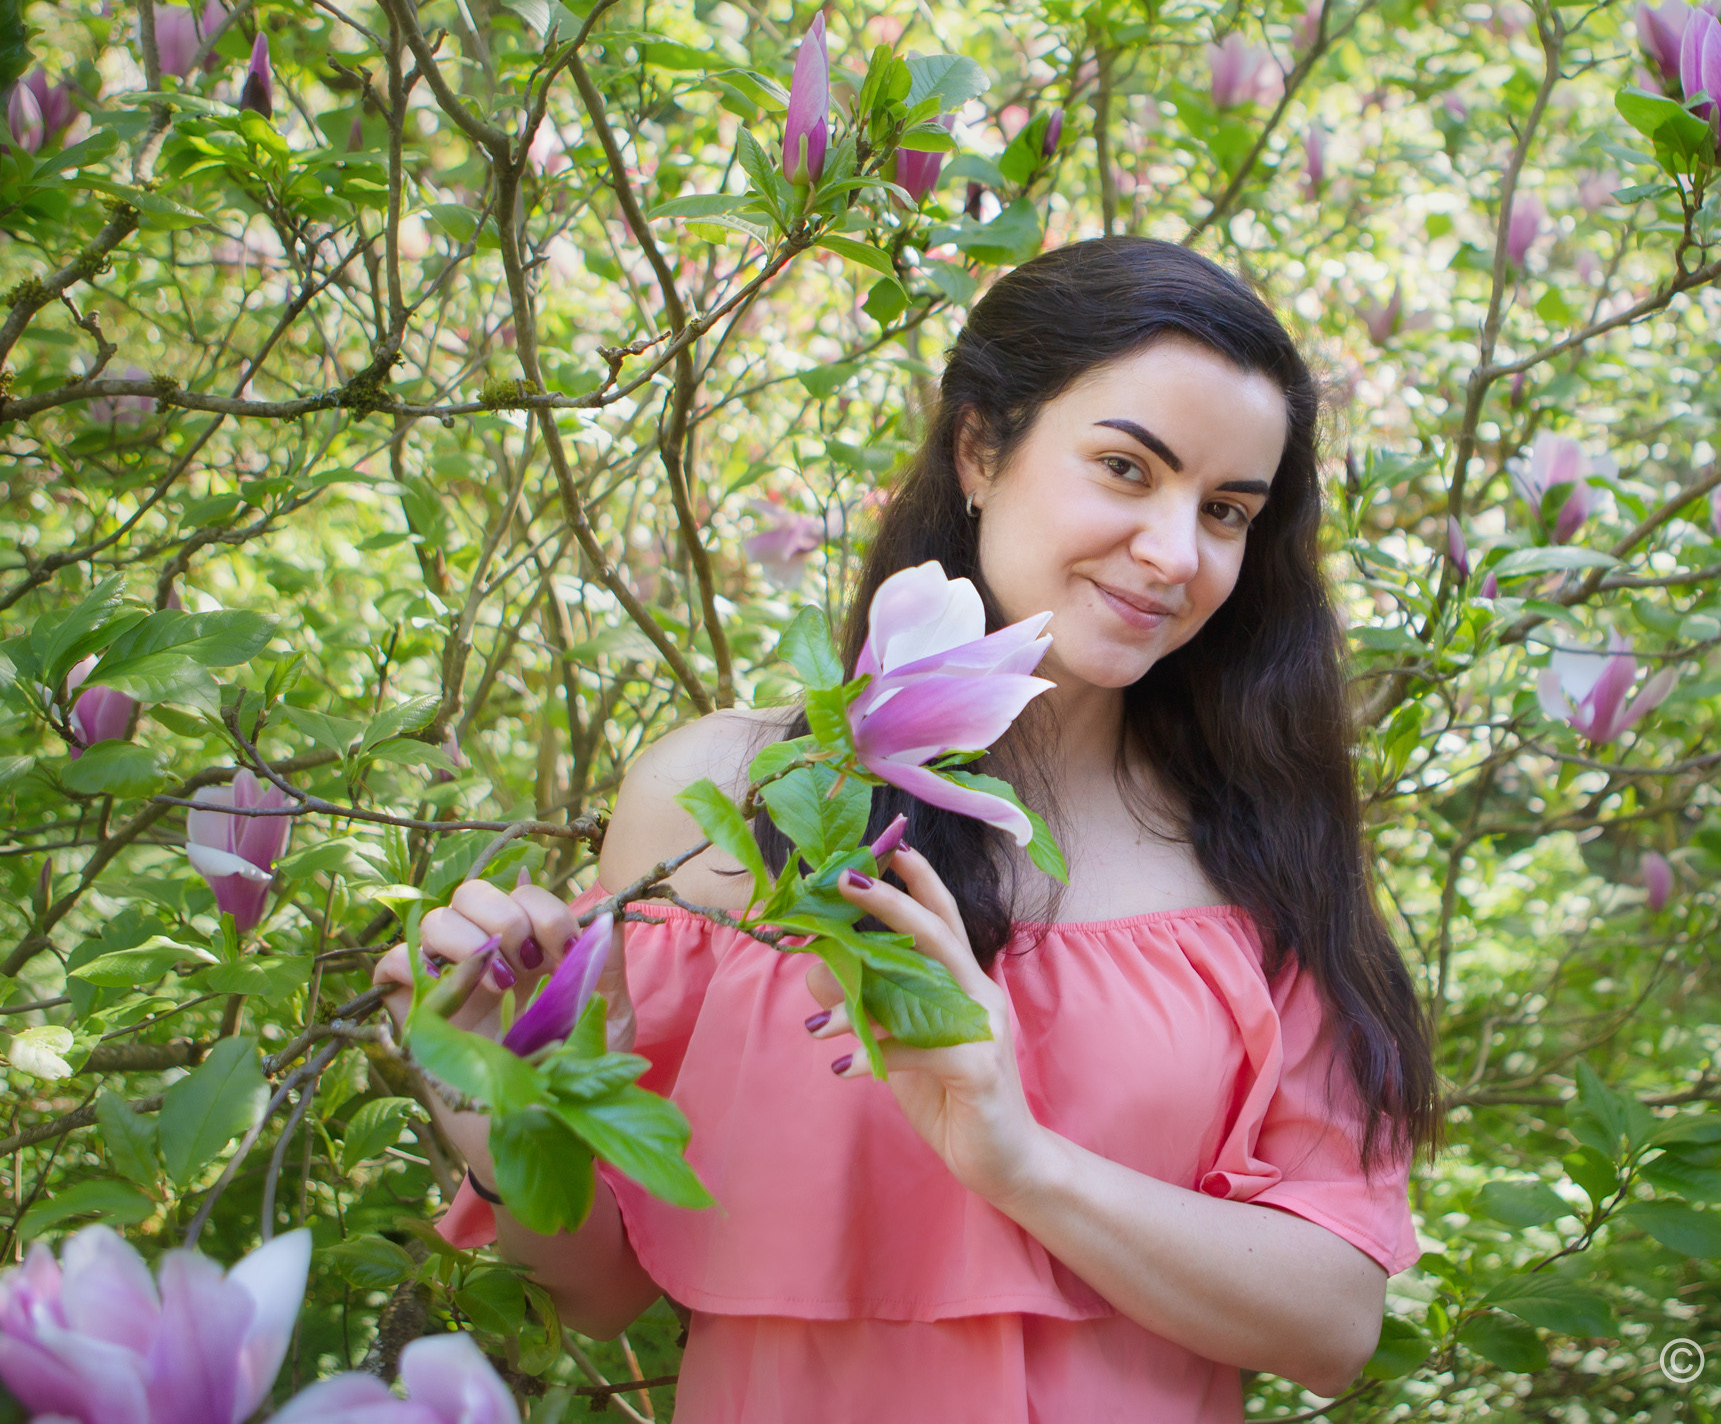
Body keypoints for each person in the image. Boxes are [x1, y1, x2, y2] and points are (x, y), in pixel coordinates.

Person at [375, 236, 1438, 1422]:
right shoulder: (720, 800)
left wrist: (1021, 1162)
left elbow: (1332, 1324)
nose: (1176, 553)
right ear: (980, 447)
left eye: (1227, 510)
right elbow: (596, 1292)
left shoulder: (1251, 854)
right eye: (1127, 469)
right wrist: (496, 1092)